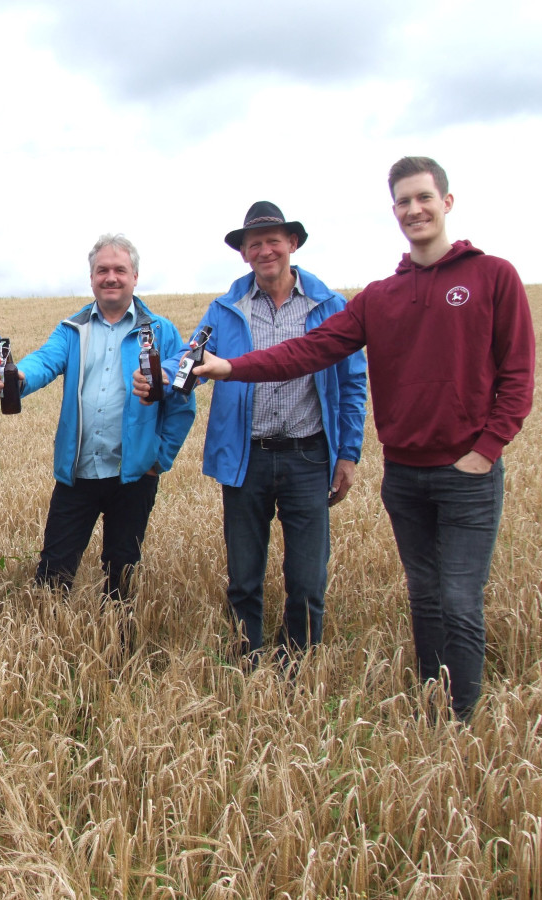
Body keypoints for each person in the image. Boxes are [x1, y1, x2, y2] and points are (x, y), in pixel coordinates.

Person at [193, 158, 535, 719]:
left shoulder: (493, 276)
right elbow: (306, 352)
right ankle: (434, 710)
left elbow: (518, 376)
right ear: (394, 210)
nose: (414, 210)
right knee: (425, 597)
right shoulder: (381, 297)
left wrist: (486, 451)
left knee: (458, 601)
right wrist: (227, 368)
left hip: (462, 473)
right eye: (403, 201)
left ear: (446, 202)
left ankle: (462, 721)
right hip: (401, 475)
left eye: (424, 198)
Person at [143, 202, 367, 663]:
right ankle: (248, 660)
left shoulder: (329, 305)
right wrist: (161, 376)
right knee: (244, 574)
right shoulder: (226, 309)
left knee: (307, 577)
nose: (265, 250)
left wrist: (348, 454)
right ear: (244, 254)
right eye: (254, 244)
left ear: (293, 244)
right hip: (246, 457)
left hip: (309, 456)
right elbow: (193, 358)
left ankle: (298, 665)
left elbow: (352, 383)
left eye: (273, 241)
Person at [0, 234, 195, 601]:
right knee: (54, 570)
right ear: (91, 278)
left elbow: (182, 402)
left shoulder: (161, 332)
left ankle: (119, 646)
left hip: (133, 474)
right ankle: (51, 648)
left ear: (135, 276)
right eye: (102, 270)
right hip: (78, 470)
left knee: (123, 570)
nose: (111, 277)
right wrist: (18, 376)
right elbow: (45, 360)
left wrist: (159, 459)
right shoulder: (72, 329)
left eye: (120, 269)